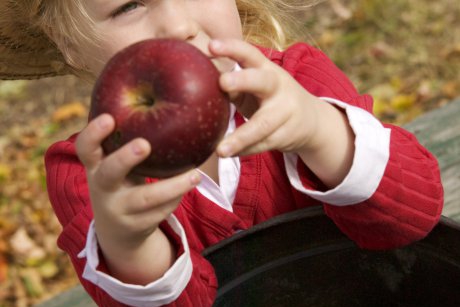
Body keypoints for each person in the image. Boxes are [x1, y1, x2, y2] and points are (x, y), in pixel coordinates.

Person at [0, 1, 444, 306]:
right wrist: (130, 244)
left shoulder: (298, 81)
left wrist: (318, 131)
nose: (177, 26)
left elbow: (415, 219)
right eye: (127, 5)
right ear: (68, 44)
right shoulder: (93, 173)